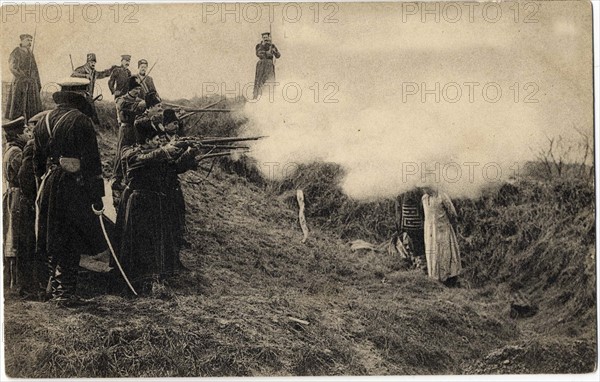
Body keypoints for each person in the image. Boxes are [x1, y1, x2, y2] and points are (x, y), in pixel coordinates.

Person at [33, 78, 107, 306]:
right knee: (71, 238)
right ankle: (65, 294)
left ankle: (50, 291)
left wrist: (43, 185)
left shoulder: (42, 120)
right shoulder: (81, 121)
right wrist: (97, 197)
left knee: (52, 236)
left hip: (49, 184)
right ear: (80, 95)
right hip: (73, 187)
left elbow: (38, 163)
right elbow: (93, 163)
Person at [116, 117, 183, 293]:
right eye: (155, 140)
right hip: (139, 203)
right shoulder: (130, 153)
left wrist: (189, 152)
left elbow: (174, 167)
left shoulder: (155, 155)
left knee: (153, 244)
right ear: (146, 141)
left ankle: (151, 280)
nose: (158, 142)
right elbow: (143, 159)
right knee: (140, 244)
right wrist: (166, 150)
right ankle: (136, 282)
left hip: (152, 203)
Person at [17, 111, 49, 299]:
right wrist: (32, 199)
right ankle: (30, 288)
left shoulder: (35, 146)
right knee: (30, 245)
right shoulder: (32, 147)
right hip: (29, 204)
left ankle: (33, 286)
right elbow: (26, 176)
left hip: (30, 202)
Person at [112, 76, 148, 203]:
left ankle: (130, 179)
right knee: (121, 153)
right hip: (125, 129)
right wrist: (141, 105)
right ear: (129, 89)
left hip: (135, 129)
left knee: (133, 153)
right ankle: (116, 180)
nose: (137, 91)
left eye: (138, 89)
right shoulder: (121, 100)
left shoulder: (140, 100)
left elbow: (144, 110)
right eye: (135, 89)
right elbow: (126, 107)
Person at [2, 116, 28, 290]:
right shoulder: (17, 153)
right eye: (24, 131)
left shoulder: (9, 150)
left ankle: (10, 280)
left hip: (11, 194)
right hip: (17, 195)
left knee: (10, 236)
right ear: (17, 135)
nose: (27, 134)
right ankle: (16, 282)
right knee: (16, 235)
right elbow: (23, 176)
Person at [422, 187, 462, 286]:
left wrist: (452, 226)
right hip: (430, 231)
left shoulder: (442, 196)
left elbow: (452, 213)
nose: (425, 190)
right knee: (432, 254)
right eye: (423, 188)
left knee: (445, 253)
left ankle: (449, 278)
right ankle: (435, 278)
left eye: (426, 187)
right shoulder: (424, 199)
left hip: (443, 230)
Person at [5, 34, 43, 120]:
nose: (29, 42)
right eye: (27, 40)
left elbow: (35, 68)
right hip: (20, 81)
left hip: (31, 82)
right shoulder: (16, 51)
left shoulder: (30, 53)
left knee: (32, 104)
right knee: (19, 102)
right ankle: (18, 121)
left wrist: (36, 81)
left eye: (30, 40)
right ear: (22, 41)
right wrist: (23, 76)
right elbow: (12, 67)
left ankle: (30, 120)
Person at [71, 53, 116, 124]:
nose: (93, 64)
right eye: (91, 62)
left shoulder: (94, 73)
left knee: (92, 114)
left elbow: (103, 74)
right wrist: (85, 75)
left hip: (89, 97)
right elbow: (73, 76)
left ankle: (97, 128)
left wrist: (111, 70)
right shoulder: (80, 69)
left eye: (94, 62)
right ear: (87, 62)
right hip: (79, 97)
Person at [395, 188, 426, 270]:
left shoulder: (419, 192)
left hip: (415, 225)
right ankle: (417, 262)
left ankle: (420, 263)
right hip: (411, 225)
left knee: (417, 244)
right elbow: (399, 211)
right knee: (414, 244)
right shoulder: (402, 195)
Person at [253, 32, 281, 99]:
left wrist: (274, 51)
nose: (265, 39)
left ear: (269, 38)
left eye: (266, 37)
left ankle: (269, 97)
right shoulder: (259, 46)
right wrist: (266, 52)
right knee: (259, 81)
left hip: (269, 65)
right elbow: (259, 54)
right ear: (262, 38)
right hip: (262, 64)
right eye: (264, 37)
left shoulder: (272, 46)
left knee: (270, 80)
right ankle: (257, 96)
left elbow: (278, 55)